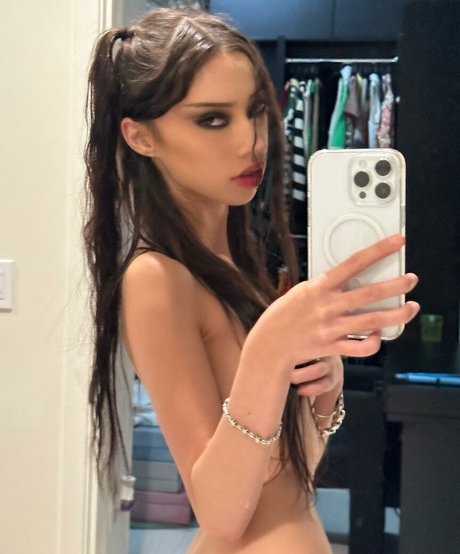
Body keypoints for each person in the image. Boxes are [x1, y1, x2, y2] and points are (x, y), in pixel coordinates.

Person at [83, 8, 419, 553]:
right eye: (213, 120)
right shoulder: (156, 278)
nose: (251, 140)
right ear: (140, 136)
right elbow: (220, 513)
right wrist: (269, 352)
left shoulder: (234, 261)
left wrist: (326, 388)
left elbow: (287, 478)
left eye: (257, 110)